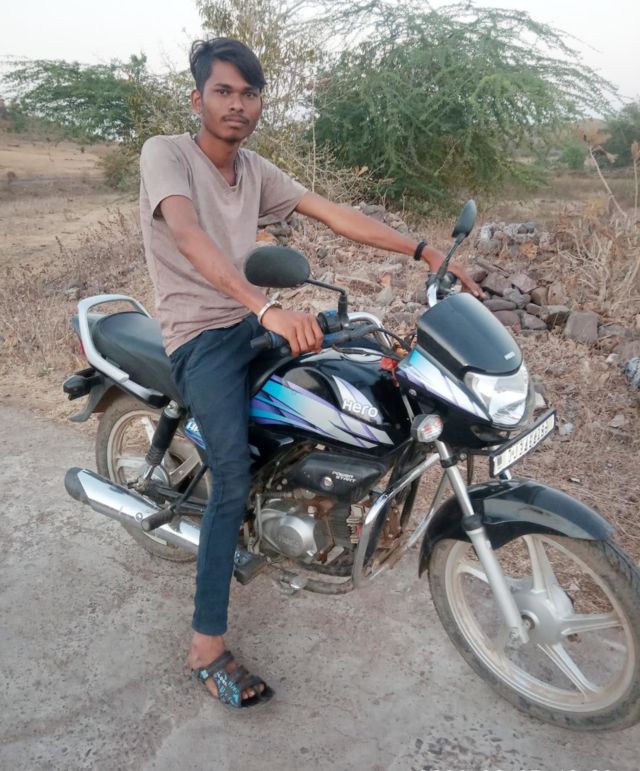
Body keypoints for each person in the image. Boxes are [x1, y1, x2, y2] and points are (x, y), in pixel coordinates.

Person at [139, 37, 482, 710]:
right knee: (231, 475)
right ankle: (205, 645)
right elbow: (187, 235)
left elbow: (334, 214)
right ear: (198, 98)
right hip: (201, 337)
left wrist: (423, 250)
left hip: (252, 319)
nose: (238, 105)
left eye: (250, 94)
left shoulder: (254, 169)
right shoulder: (166, 154)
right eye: (224, 91)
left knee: (363, 360)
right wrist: (266, 308)